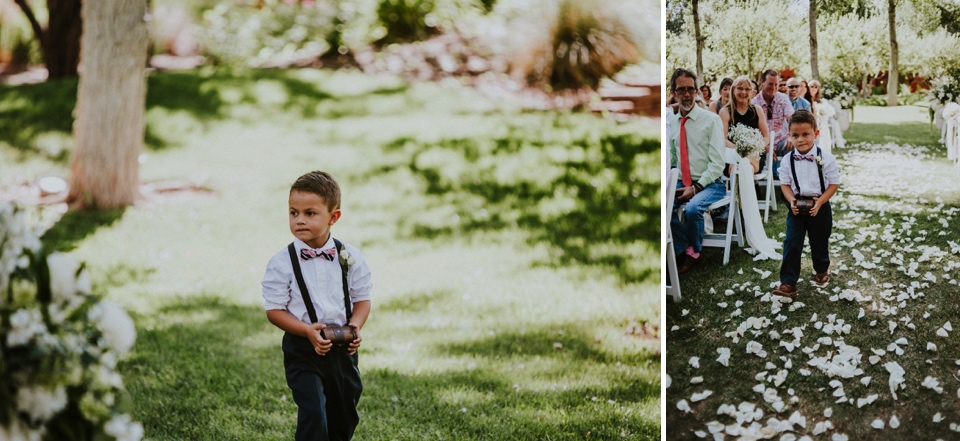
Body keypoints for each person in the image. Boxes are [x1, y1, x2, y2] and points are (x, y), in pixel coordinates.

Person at [262, 170, 373, 441]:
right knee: (314, 414)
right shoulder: (281, 263)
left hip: (342, 349)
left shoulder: (351, 257)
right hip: (303, 349)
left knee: (344, 414)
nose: (299, 220)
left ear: (333, 217)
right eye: (293, 212)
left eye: (310, 213)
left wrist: (355, 326)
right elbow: (274, 310)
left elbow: (362, 299)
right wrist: (306, 331)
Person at [772, 110, 841, 298]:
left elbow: (834, 183)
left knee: (819, 241)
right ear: (789, 136)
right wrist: (791, 200)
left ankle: (821, 269)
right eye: (795, 135)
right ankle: (788, 282)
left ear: (816, 134)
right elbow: (785, 184)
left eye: (805, 134)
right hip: (796, 206)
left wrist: (821, 201)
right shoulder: (787, 160)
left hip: (820, 205)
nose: (800, 139)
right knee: (792, 242)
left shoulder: (826, 158)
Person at [668, 68, 727, 274]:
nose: (686, 94)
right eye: (681, 90)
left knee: (693, 209)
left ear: (696, 92)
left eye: (690, 90)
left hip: (711, 183)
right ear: (673, 93)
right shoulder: (672, 123)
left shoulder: (711, 120)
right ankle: (681, 248)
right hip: (681, 180)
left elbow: (718, 163)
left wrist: (695, 187)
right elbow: (673, 159)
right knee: (663, 206)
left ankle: (694, 253)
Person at [719, 76, 770, 174]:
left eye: (747, 89)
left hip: (755, 155)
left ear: (752, 92)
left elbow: (766, 136)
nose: (743, 92)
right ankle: (750, 189)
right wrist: (739, 150)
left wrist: (756, 147)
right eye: (740, 88)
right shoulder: (725, 111)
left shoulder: (757, 110)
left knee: (746, 166)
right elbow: (723, 139)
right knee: (737, 167)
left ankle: (740, 189)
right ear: (733, 90)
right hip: (732, 156)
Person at [752, 69, 794, 177]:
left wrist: (792, 136)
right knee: (751, 152)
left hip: (781, 141)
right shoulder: (754, 103)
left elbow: (793, 119)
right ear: (762, 83)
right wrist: (764, 146)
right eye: (770, 84)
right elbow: (752, 130)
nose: (774, 88)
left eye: (776, 84)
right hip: (762, 143)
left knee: (794, 145)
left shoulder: (783, 99)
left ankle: (790, 186)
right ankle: (756, 189)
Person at [808, 80, 834, 151]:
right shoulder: (806, 100)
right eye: (811, 86)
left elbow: (831, 112)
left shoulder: (821, 102)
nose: (813, 88)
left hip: (822, 125)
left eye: (815, 87)